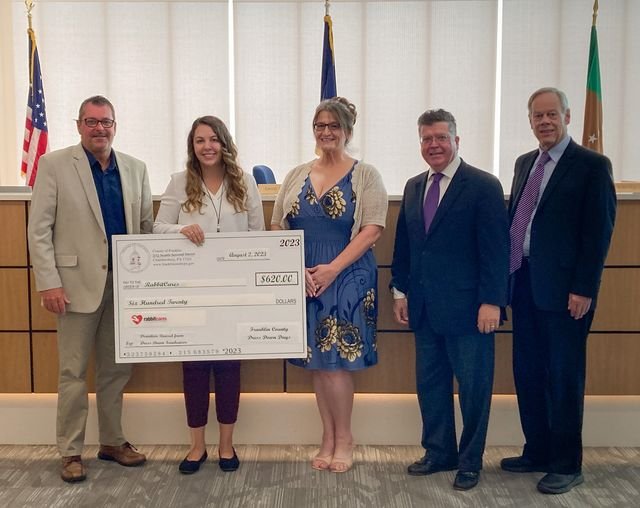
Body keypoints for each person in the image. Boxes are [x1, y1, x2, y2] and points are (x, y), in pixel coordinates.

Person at [28, 95, 152, 483]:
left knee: (116, 370)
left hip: (123, 286)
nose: (100, 128)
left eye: (106, 122)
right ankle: (70, 451)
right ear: (79, 125)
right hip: (73, 287)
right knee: (73, 373)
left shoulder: (135, 168)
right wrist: (49, 282)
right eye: (92, 121)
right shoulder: (54, 165)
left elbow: (145, 228)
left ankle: (113, 442)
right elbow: (39, 230)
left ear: (115, 126)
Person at [501, 87, 616, 494]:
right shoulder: (524, 163)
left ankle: (567, 464)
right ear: (530, 121)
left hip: (567, 292)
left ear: (567, 116)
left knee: (563, 377)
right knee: (528, 372)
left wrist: (584, 288)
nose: (545, 121)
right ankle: (538, 451)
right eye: (538, 116)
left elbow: (598, 233)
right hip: (524, 283)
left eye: (552, 114)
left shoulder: (592, 165)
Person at [390, 109, 509, 491]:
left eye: (441, 137)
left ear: (457, 140)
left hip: (470, 311)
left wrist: (492, 301)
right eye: (427, 138)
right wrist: (400, 291)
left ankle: (470, 461)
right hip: (424, 308)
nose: (434, 145)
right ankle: (439, 451)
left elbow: (496, 250)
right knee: (431, 386)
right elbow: (406, 247)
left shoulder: (483, 185)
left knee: (473, 391)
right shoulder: (413, 186)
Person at [271, 97, 387, 473]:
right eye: (320, 126)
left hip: (347, 275)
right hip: (304, 279)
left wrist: (332, 269)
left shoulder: (366, 174)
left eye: (334, 126)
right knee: (318, 364)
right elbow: (276, 225)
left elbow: (372, 229)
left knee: (336, 365)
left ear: (348, 131)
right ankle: (327, 437)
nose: (326, 132)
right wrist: (297, 269)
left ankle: (345, 439)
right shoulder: (296, 174)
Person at [154, 116, 265, 474]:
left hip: (234, 292)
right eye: (200, 140)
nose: (207, 147)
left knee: (230, 368)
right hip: (192, 292)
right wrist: (181, 230)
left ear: (224, 143)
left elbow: (258, 234)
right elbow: (156, 228)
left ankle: (226, 445)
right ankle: (197, 446)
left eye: (214, 139)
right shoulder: (179, 182)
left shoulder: (245, 182)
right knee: (195, 370)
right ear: (192, 146)